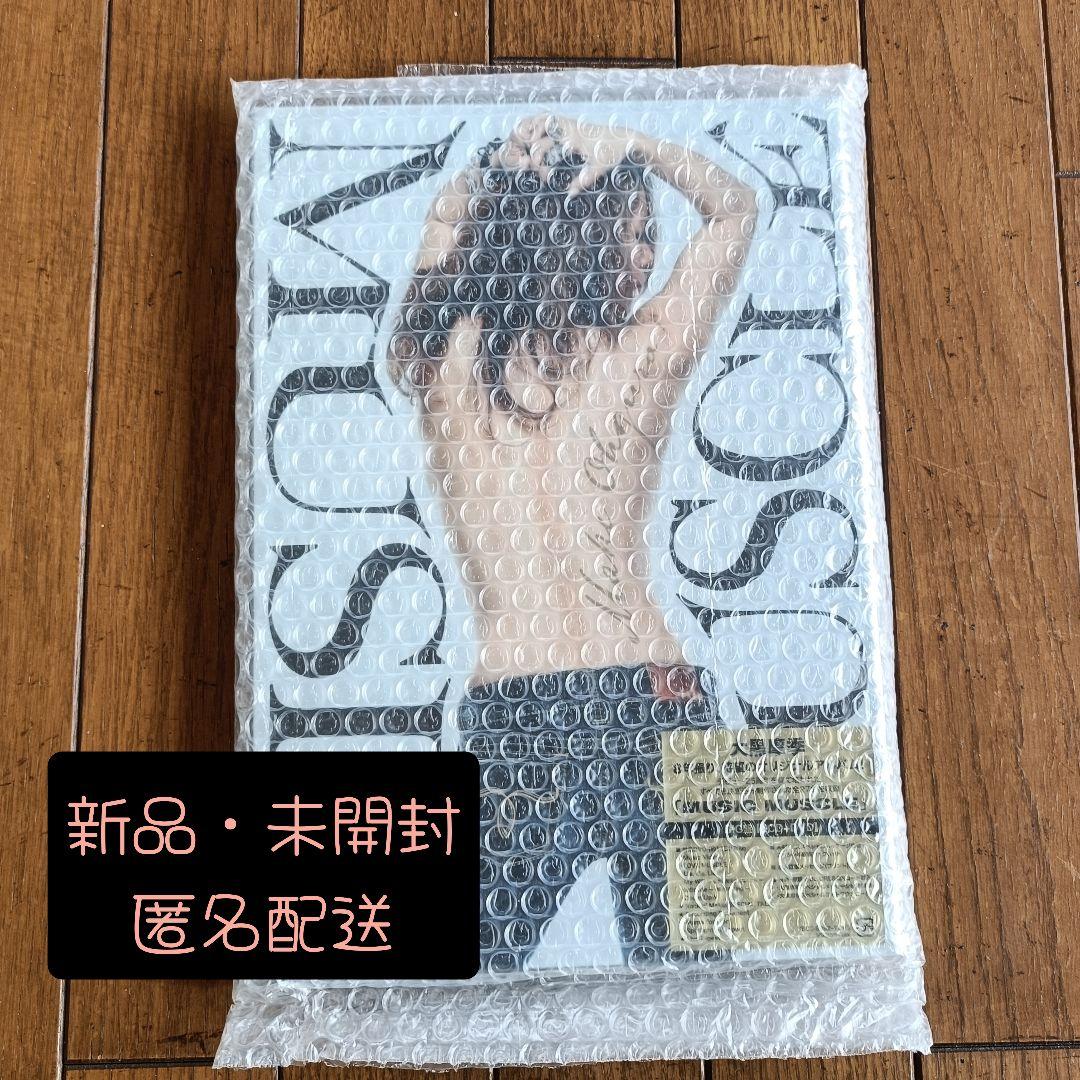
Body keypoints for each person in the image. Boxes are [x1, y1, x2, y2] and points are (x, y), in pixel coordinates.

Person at [389, 115, 757, 975]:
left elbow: (444, 225)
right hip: (654, 698)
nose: (646, 259)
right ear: (582, 234)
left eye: (651, 237)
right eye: (635, 235)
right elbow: (735, 209)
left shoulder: (446, 362)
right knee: (696, 989)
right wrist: (639, 145)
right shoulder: (640, 356)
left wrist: (499, 170)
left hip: (518, 712)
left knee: (464, 981)